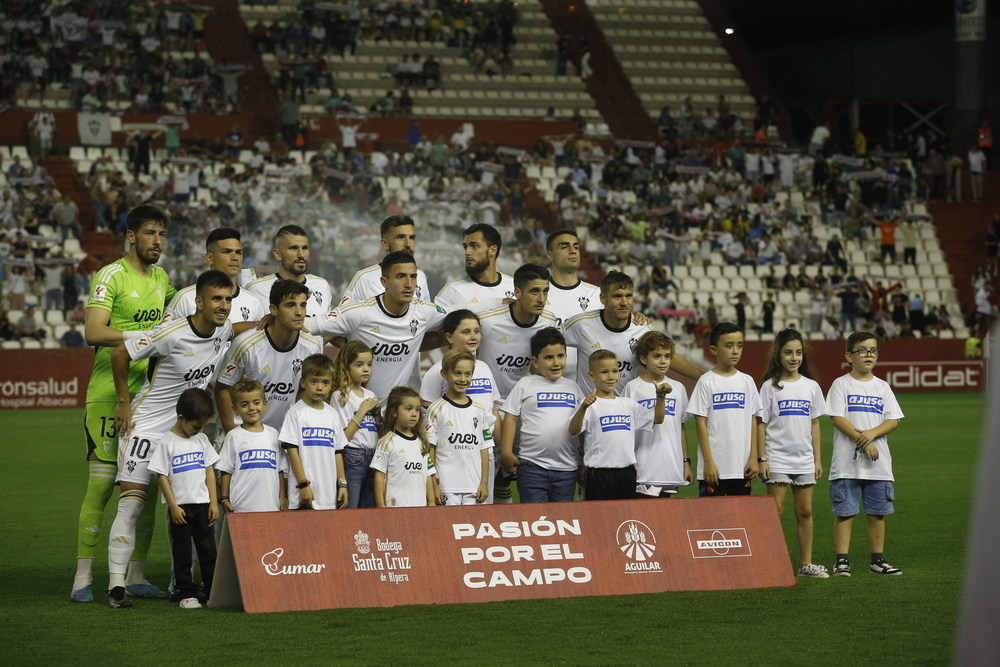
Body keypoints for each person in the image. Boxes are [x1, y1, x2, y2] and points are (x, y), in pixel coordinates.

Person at [106, 270, 235, 609]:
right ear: (199, 302)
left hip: (185, 436)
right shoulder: (172, 333)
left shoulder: (224, 331)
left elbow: (238, 329)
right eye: (216, 299)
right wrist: (123, 402)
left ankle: (189, 584)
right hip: (147, 429)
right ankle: (117, 586)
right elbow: (120, 352)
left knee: (193, 510)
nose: (223, 306)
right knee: (132, 504)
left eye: (228, 299)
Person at [72, 205, 176, 604]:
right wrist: (146, 334)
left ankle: (135, 575)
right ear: (131, 236)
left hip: (149, 399)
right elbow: (93, 331)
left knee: (144, 488)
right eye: (150, 233)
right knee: (100, 487)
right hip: (107, 396)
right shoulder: (111, 275)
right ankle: (82, 577)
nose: (158, 241)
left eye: (162, 234)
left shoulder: (163, 278)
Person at [306, 251, 447, 405]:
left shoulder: (424, 312)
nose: (409, 284)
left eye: (413, 277)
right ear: (384, 282)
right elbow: (308, 326)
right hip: (356, 413)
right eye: (400, 277)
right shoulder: (358, 312)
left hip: (395, 416)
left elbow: (461, 316)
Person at [825, 331, 904, 576]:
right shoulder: (841, 384)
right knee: (845, 513)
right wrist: (864, 440)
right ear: (849, 355)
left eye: (873, 350)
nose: (868, 355)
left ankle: (877, 561)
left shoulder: (882, 386)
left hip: (878, 465)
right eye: (862, 350)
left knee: (877, 514)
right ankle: (842, 561)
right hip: (847, 464)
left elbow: (893, 420)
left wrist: (869, 435)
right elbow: (837, 418)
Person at [757, 329, 828, 578]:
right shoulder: (769, 387)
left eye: (798, 352)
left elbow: (815, 425)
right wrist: (761, 458)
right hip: (776, 457)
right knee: (775, 510)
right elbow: (761, 424)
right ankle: (771, 563)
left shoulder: (812, 387)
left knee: (805, 511)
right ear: (778, 354)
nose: (794, 357)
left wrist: (817, 459)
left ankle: (805, 565)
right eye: (788, 352)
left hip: (804, 460)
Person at [564, 270, 704, 396]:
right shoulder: (581, 325)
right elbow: (548, 342)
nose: (624, 302)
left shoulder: (642, 328)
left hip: (626, 414)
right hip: (589, 412)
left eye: (629, 296)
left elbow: (667, 356)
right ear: (603, 298)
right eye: (617, 296)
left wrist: (704, 377)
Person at [148, 388, 221, 608]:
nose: (200, 430)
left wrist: (214, 502)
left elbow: (209, 471)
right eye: (196, 426)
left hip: (204, 506)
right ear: (181, 418)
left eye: (203, 426)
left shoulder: (201, 440)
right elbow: (162, 476)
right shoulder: (167, 442)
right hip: (181, 509)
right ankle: (185, 592)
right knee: (183, 553)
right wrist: (173, 506)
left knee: (208, 550)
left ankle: (211, 591)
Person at [569, 350, 668, 500]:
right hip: (600, 473)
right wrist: (583, 407)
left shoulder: (627, 404)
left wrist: (660, 397)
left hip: (627, 472)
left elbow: (658, 419)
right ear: (591, 376)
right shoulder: (590, 404)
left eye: (615, 371)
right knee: (601, 518)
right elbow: (573, 430)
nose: (611, 377)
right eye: (604, 372)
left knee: (624, 517)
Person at [500, 328, 584, 503]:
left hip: (567, 469)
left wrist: (584, 460)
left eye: (560, 356)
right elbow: (511, 417)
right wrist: (507, 452)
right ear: (535, 362)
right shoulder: (526, 384)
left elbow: (583, 424)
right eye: (548, 357)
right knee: (534, 521)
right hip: (532, 467)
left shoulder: (573, 387)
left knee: (563, 523)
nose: (556, 363)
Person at [687, 322, 762, 497]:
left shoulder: (747, 381)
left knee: (740, 519)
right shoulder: (706, 382)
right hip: (715, 468)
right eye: (729, 345)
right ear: (714, 350)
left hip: (742, 467)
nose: (735, 350)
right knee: (711, 520)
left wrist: (754, 458)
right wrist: (708, 462)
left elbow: (753, 420)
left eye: (739, 345)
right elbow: (701, 424)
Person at [624, 331, 692, 498]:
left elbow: (680, 427)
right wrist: (629, 464)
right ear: (643, 359)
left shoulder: (678, 388)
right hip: (643, 466)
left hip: (670, 465)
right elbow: (626, 431)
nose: (663, 361)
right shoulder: (632, 388)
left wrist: (686, 462)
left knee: (664, 516)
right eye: (656, 356)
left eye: (667, 356)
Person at [476, 263, 560, 398]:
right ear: (517, 292)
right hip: (486, 400)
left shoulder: (548, 321)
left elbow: (538, 364)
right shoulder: (487, 321)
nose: (542, 299)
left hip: (520, 400)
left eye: (545, 291)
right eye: (534, 291)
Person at [279, 353, 349, 511]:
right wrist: (303, 483)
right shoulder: (295, 412)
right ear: (303, 382)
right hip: (304, 494)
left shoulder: (332, 414)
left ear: (332, 385)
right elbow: (292, 451)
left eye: (325, 382)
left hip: (328, 496)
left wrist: (342, 484)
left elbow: (337, 452)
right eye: (314, 381)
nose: (319, 387)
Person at [426, 348, 493, 505]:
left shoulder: (478, 410)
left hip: (474, 486)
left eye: (467, 374)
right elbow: (430, 450)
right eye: (457, 373)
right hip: (447, 487)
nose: (463, 379)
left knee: (471, 529)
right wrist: (434, 485)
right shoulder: (436, 409)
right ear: (444, 374)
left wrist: (484, 483)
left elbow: (484, 448)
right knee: (445, 528)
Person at [165, 228, 266, 325]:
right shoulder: (185, 298)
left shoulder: (254, 302)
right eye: (226, 252)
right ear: (209, 258)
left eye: (238, 252)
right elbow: (162, 338)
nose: (235, 257)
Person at [217, 378, 284, 514]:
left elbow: (280, 471)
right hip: (241, 506)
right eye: (244, 404)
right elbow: (226, 470)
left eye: (256, 402)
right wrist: (224, 498)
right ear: (235, 409)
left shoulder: (274, 434)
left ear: (264, 404)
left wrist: (281, 498)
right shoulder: (233, 436)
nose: (251, 408)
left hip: (270, 505)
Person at [543, 229, 601, 381]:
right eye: (564, 247)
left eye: (576, 246)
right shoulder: (537, 294)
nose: (573, 251)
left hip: (589, 386)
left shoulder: (598, 295)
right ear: (550, 255)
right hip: (545, 383)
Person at [330, 341, 381, 508]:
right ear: (346, 367)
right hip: (352, 456)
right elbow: (342, 438)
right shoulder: (340, 395)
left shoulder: (370, 394)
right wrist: (362, 411)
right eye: (359, 365)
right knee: (349, 508)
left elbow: (377, 433)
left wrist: (378, 417)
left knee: (369, 510)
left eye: (369, 364)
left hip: (373, 455)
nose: (366, 369)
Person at [341, 215, 431, 304]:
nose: (408, 244)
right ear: (385, 244)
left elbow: (427, 314)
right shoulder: (365, 278)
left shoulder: (420, 276)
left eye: (412, 238)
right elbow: (342, 315)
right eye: (400, 237)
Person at [371, 386, 437, 508]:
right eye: (408, 409)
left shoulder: (422, 442)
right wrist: (380, 506)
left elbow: (428, 474)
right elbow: (379, 475)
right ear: (394, 411)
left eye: (417, 409)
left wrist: (432, 502)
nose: (414, 414)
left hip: (420, 507)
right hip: (395, 508)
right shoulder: (387, 442)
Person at [247, 225, 333, 317]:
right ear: (277, 254)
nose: (301, 255)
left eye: (304, 248)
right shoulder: (256, 289)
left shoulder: (322, 286)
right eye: (293, 248)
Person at [435, 223, 515, 308]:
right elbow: (434, 319)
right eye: (465, 247)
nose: (467, 252)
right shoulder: (453, 291)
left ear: (493, 250)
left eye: (475, 246)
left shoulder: (514, 286)